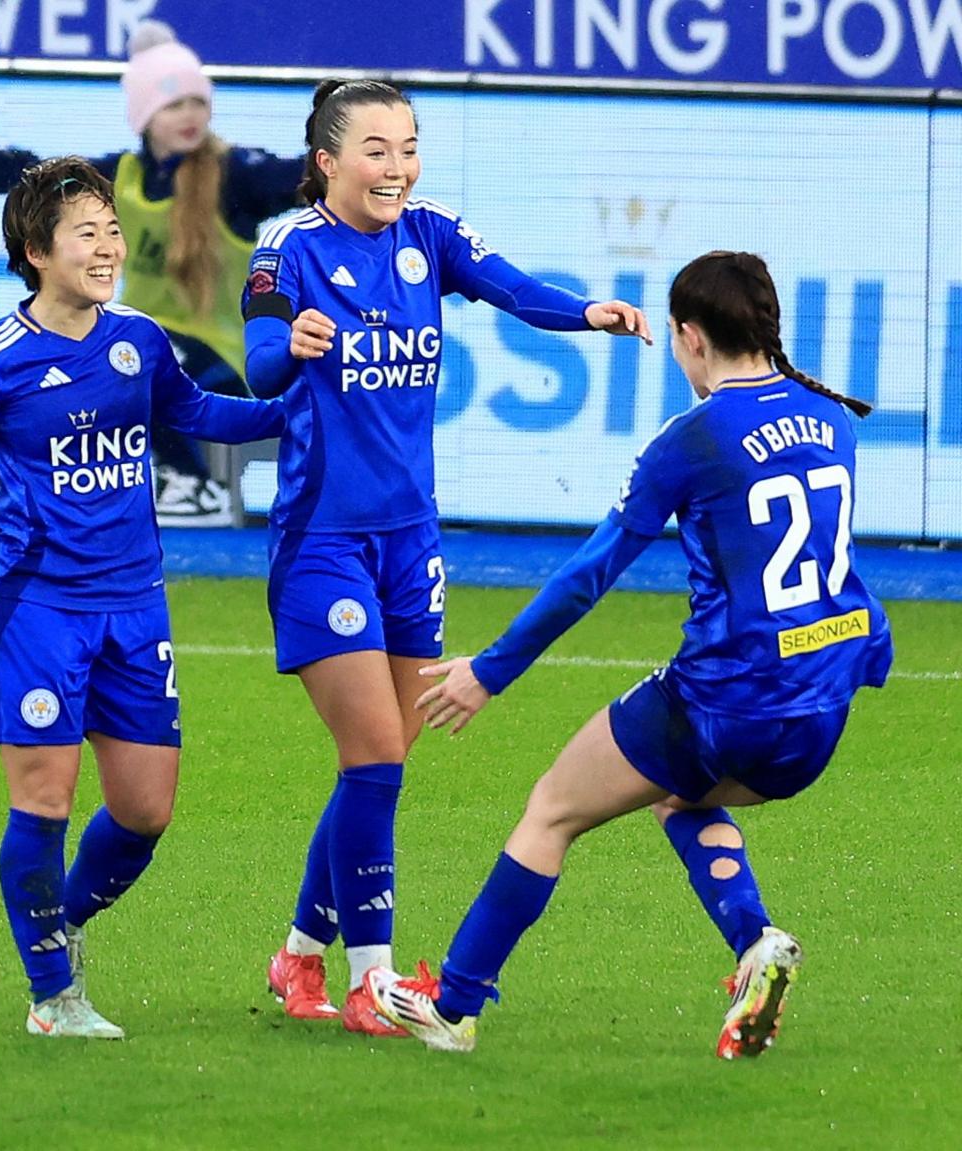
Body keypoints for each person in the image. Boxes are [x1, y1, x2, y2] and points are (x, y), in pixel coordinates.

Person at [364, 250, 891, 1057]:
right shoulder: (832, 420)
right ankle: (755, 943)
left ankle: (454, 1005)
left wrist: (490, 670)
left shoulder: (695, 438)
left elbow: (589, 576)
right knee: (681, 796)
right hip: (822, 707)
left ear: (688, 337)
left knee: (551, 808)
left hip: (727, 700)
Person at [242, 79, 651, 1036]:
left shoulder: (429, 233)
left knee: (375, 766)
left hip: (410, 538)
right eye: (376, 150)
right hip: (321, 541)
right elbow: (257, 362)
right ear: (327, 161)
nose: (397, 168)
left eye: (409, 147)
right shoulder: (287, 248)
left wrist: (585, 310)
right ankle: (369, 980)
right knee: (377, 755)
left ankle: (298, 955)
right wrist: (291, 345)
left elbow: (510, 284)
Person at [0, 157, 288, 1038]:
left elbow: (201, 414)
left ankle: (58, 920)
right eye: (86, 233)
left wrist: (297, 410)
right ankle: (53, 993)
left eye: (113, 231)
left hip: (136, 606)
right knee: (44, 802)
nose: (108, 247)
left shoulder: (137, 338)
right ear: (35, 251)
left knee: (144, 810)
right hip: (36, 612)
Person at [0, 21, 302, 525]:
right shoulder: (117, 179)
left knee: (126, 352)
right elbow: (17, 174)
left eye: (197, 102)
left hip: (224, 360)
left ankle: (193, 483)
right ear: (143, 116)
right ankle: (32, 493)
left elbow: (319, 175)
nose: (190, 115)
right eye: (173, 104)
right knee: (55, 365)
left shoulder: (238, 175)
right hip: (142, 353)